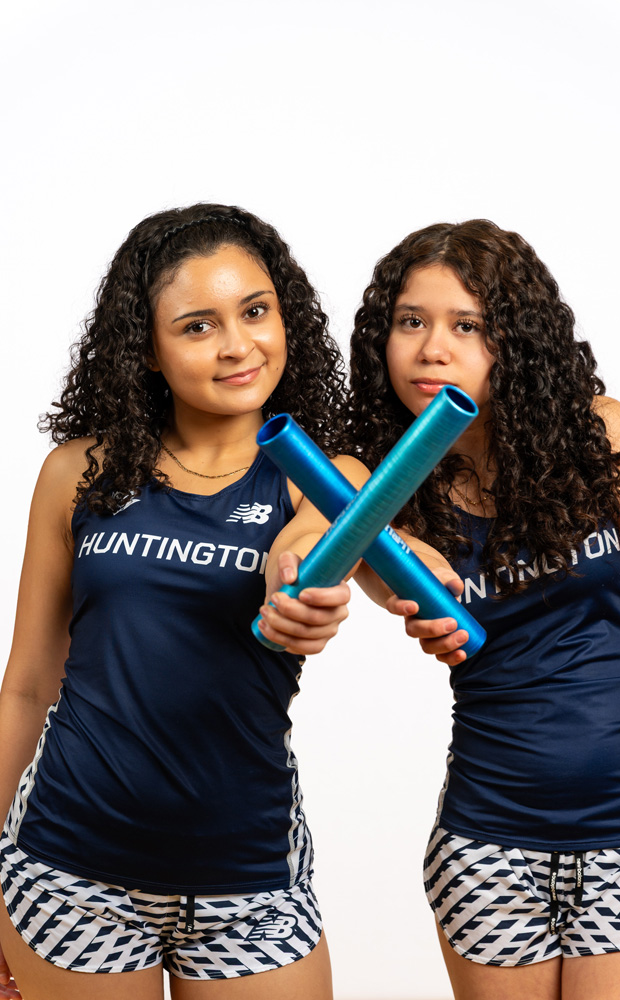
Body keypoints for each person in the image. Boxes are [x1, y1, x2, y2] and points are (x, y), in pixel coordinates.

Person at [0, 204, 369, 1000]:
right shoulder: (77, 473)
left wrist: (299, 581)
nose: (238, 345)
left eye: (255, 312)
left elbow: (315, 542)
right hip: (67, 865)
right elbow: (27, 685)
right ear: (146, 349)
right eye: (198, 326)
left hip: (248, 874)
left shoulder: (325, 474)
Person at [346, 220, 620, 999]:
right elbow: (369, 575)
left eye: (466, 325)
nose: (431, 349)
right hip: (485, 844)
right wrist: (385, 547)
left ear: (514, 341)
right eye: (410, 322)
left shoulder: (600, 435)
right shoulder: (388, 491)